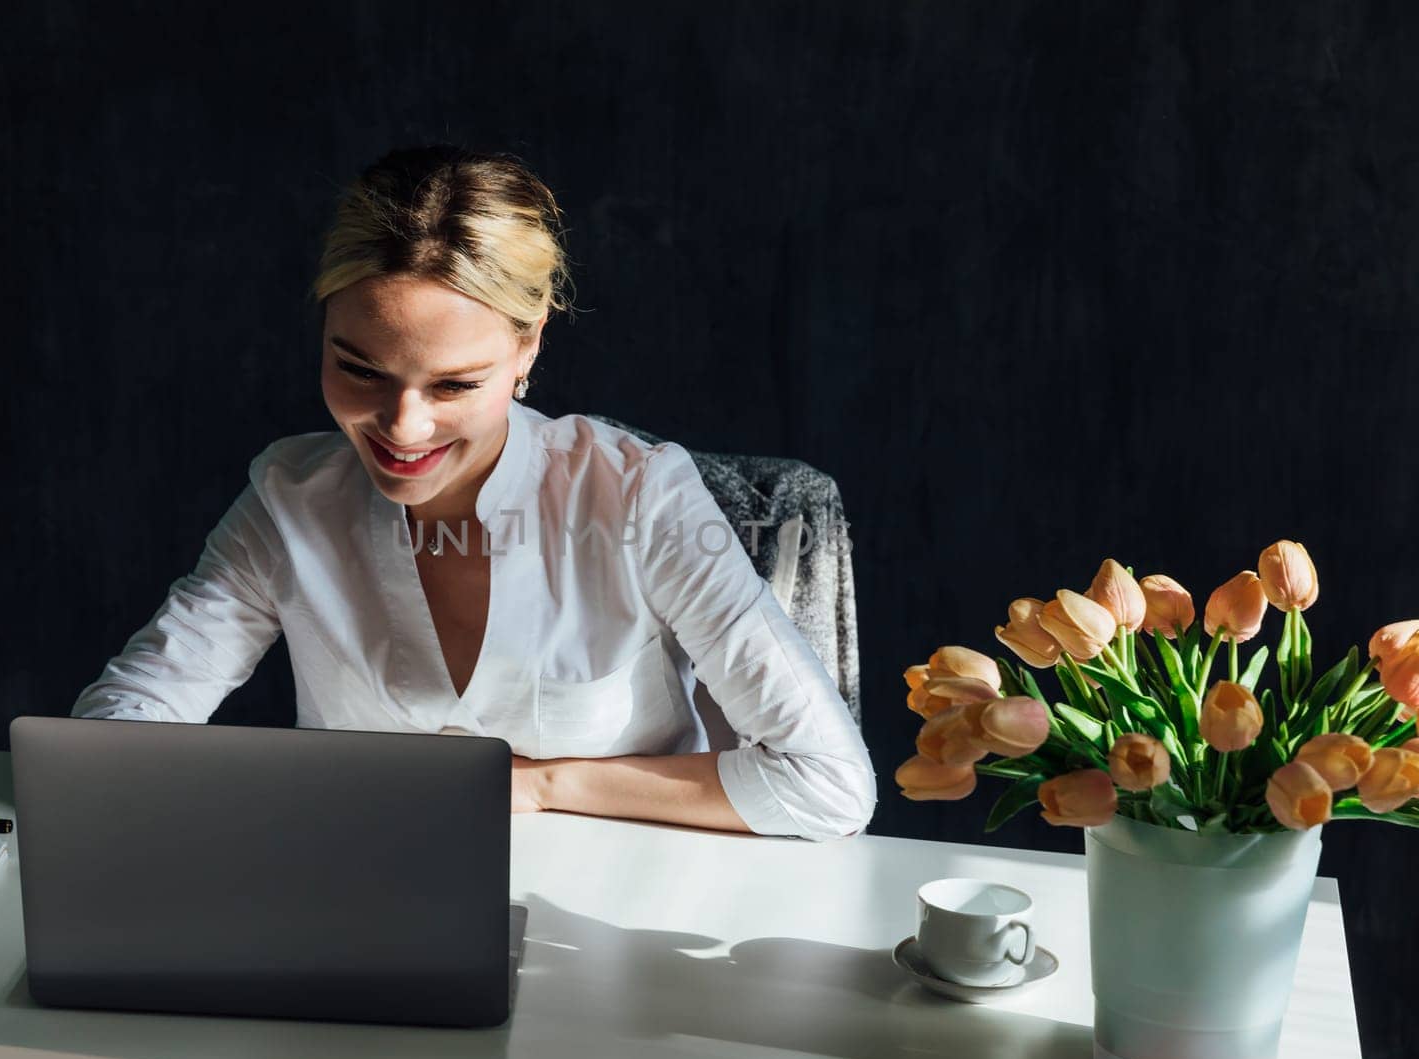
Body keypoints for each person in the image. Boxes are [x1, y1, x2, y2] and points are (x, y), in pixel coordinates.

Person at [71, 144, 876, 841]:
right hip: (362, 913)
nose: (403, 427)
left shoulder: (640, 499)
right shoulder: (291, 498)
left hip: (615, 935)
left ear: (527, 347)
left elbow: (830, 783)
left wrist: (543, 783)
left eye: (454, 383)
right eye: (359, 369)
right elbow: (123, 724)